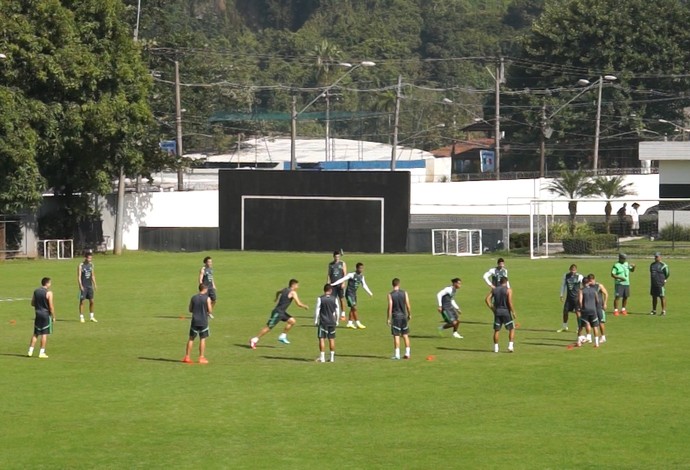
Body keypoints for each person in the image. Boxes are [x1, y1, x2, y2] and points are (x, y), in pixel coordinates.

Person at [249, 279, 309, 349]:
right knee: (268, 327)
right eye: (297, 285)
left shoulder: (285, 289)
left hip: (282, 312)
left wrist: (276, 298)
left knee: (292, 321)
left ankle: (282, 336)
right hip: (278, 312)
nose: (298, 287)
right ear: (293, 285)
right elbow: (298, 304)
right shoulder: (293, 293)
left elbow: (278, 292)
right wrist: (305, 306)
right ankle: (254, 340)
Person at [331, 262, 373, 329]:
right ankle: (358, 323)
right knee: (354, 308)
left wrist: (369, 292)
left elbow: (364, 285)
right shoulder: (351, 275)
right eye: (360, 268)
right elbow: (342, 279)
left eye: (362, 268)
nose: (361, 270)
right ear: (356, 268)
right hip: (349, 294)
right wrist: (333, 284)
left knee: (352, 308)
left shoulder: (362, 277)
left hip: (354, 294)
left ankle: (350, 323)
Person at [182, 284, 213, 364]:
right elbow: (210, 310)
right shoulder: (207, 298)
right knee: (202, 339)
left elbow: (190, 309)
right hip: (203, 321)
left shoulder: (193, 298)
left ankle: (187, 356)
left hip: (194, 321)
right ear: (205, 289)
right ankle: (201, 357)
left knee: (191, 338)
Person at [484, 277, 516, 353]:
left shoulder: (494, 290)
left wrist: (492, 308)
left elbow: (487, 299)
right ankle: (510, 346)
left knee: (497, 330)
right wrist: (513, 312)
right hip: (506, 312)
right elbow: (509, 302)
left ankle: (496, 348)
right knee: (511, 328)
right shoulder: (508, 290)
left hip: (497, 312)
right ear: (506, 282)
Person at [27, 277, 56, 359]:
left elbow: (32, 303)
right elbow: (51, 306)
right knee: (44, 334)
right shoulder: (49, 293)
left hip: (37, 314)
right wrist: (53, 316)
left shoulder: (36, 291)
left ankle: (30, 351)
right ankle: (42, 352)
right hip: (46, 315)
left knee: (36, 333)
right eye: (50, 283)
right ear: (47, 283)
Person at [314, 284, 340, 363]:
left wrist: (315, 320)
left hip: (323, 321)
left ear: (324, 290)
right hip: (332, 321)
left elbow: (317, 310)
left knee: (322, 339)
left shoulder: (320, 299)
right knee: (331, 339)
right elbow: (337, 310)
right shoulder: (334, 299)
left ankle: (322, 358)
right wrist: (337, 320)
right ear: (331, 290)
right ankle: (332, 358)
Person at [387, 278, 412, 360]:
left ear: (392, 284)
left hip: (396, 317)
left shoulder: (390, 295)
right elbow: (407, 304)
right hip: (403, 317)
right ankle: (407, 353)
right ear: (399, 284)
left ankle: (397, 355)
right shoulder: (404, 293)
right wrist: (409, 314)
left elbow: (390, 307)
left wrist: (388, 318)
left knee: (396, 336)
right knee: (405, 335)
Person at [576, 274, 602, 347]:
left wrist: (581, 308)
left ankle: (583, 339)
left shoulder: (581, 290)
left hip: (585, 310)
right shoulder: (594, 289)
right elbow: (597, 300)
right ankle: (596, 343)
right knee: (595, 326)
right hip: (593, 310)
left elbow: (580, 301)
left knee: (583, 324)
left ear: (582, 283)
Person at [558, 264, 583, 332]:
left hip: (576, 298)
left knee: (578, 313)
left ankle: (579, 327)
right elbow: (563, 285)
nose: (573, 272)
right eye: (572, 270)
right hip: (569, 298)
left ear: (576, 270)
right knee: (565, 311)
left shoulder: (579, 276)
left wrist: (582, 296)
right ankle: (564, 326)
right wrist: (561, 295)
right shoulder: (566, 276)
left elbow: (583, 285)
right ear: (569, 270)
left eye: (574, 270)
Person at [326, 250, 347, 319]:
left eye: (338, 256)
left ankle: (343, 314)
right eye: (336, 257)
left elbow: (345, 274)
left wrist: (343, 282)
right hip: (333, 284)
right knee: (333, 299)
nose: (337, 258)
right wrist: (328, 282)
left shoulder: (342, 263)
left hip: (340, 284)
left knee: (341, 299)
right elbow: (329, 274)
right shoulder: (331, 264)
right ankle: (333, 312)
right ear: (333, 257)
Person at [78, 251, 97, 323]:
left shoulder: (91, 265)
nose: (90, 260)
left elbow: (92, 275)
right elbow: (79, 276)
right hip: (84, 286)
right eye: (89, 258)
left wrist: (95, 284)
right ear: (85, 258)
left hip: (89, 286)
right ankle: (81, 317)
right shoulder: (81, 265)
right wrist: (80, 285)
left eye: (91, 258)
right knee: (82, 301)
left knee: (92, 301)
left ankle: (92, 316)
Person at [590, 274, 609, 344]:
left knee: (601, 322)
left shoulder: (599, 286)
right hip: (592, 306)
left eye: (591, 280)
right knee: (593, 322)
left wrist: (605, 303)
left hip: (599, 306)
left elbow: (606, 294)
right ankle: (593, 337)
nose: (590, 282)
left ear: (594, 279)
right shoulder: (588, 286)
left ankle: (603, 337)